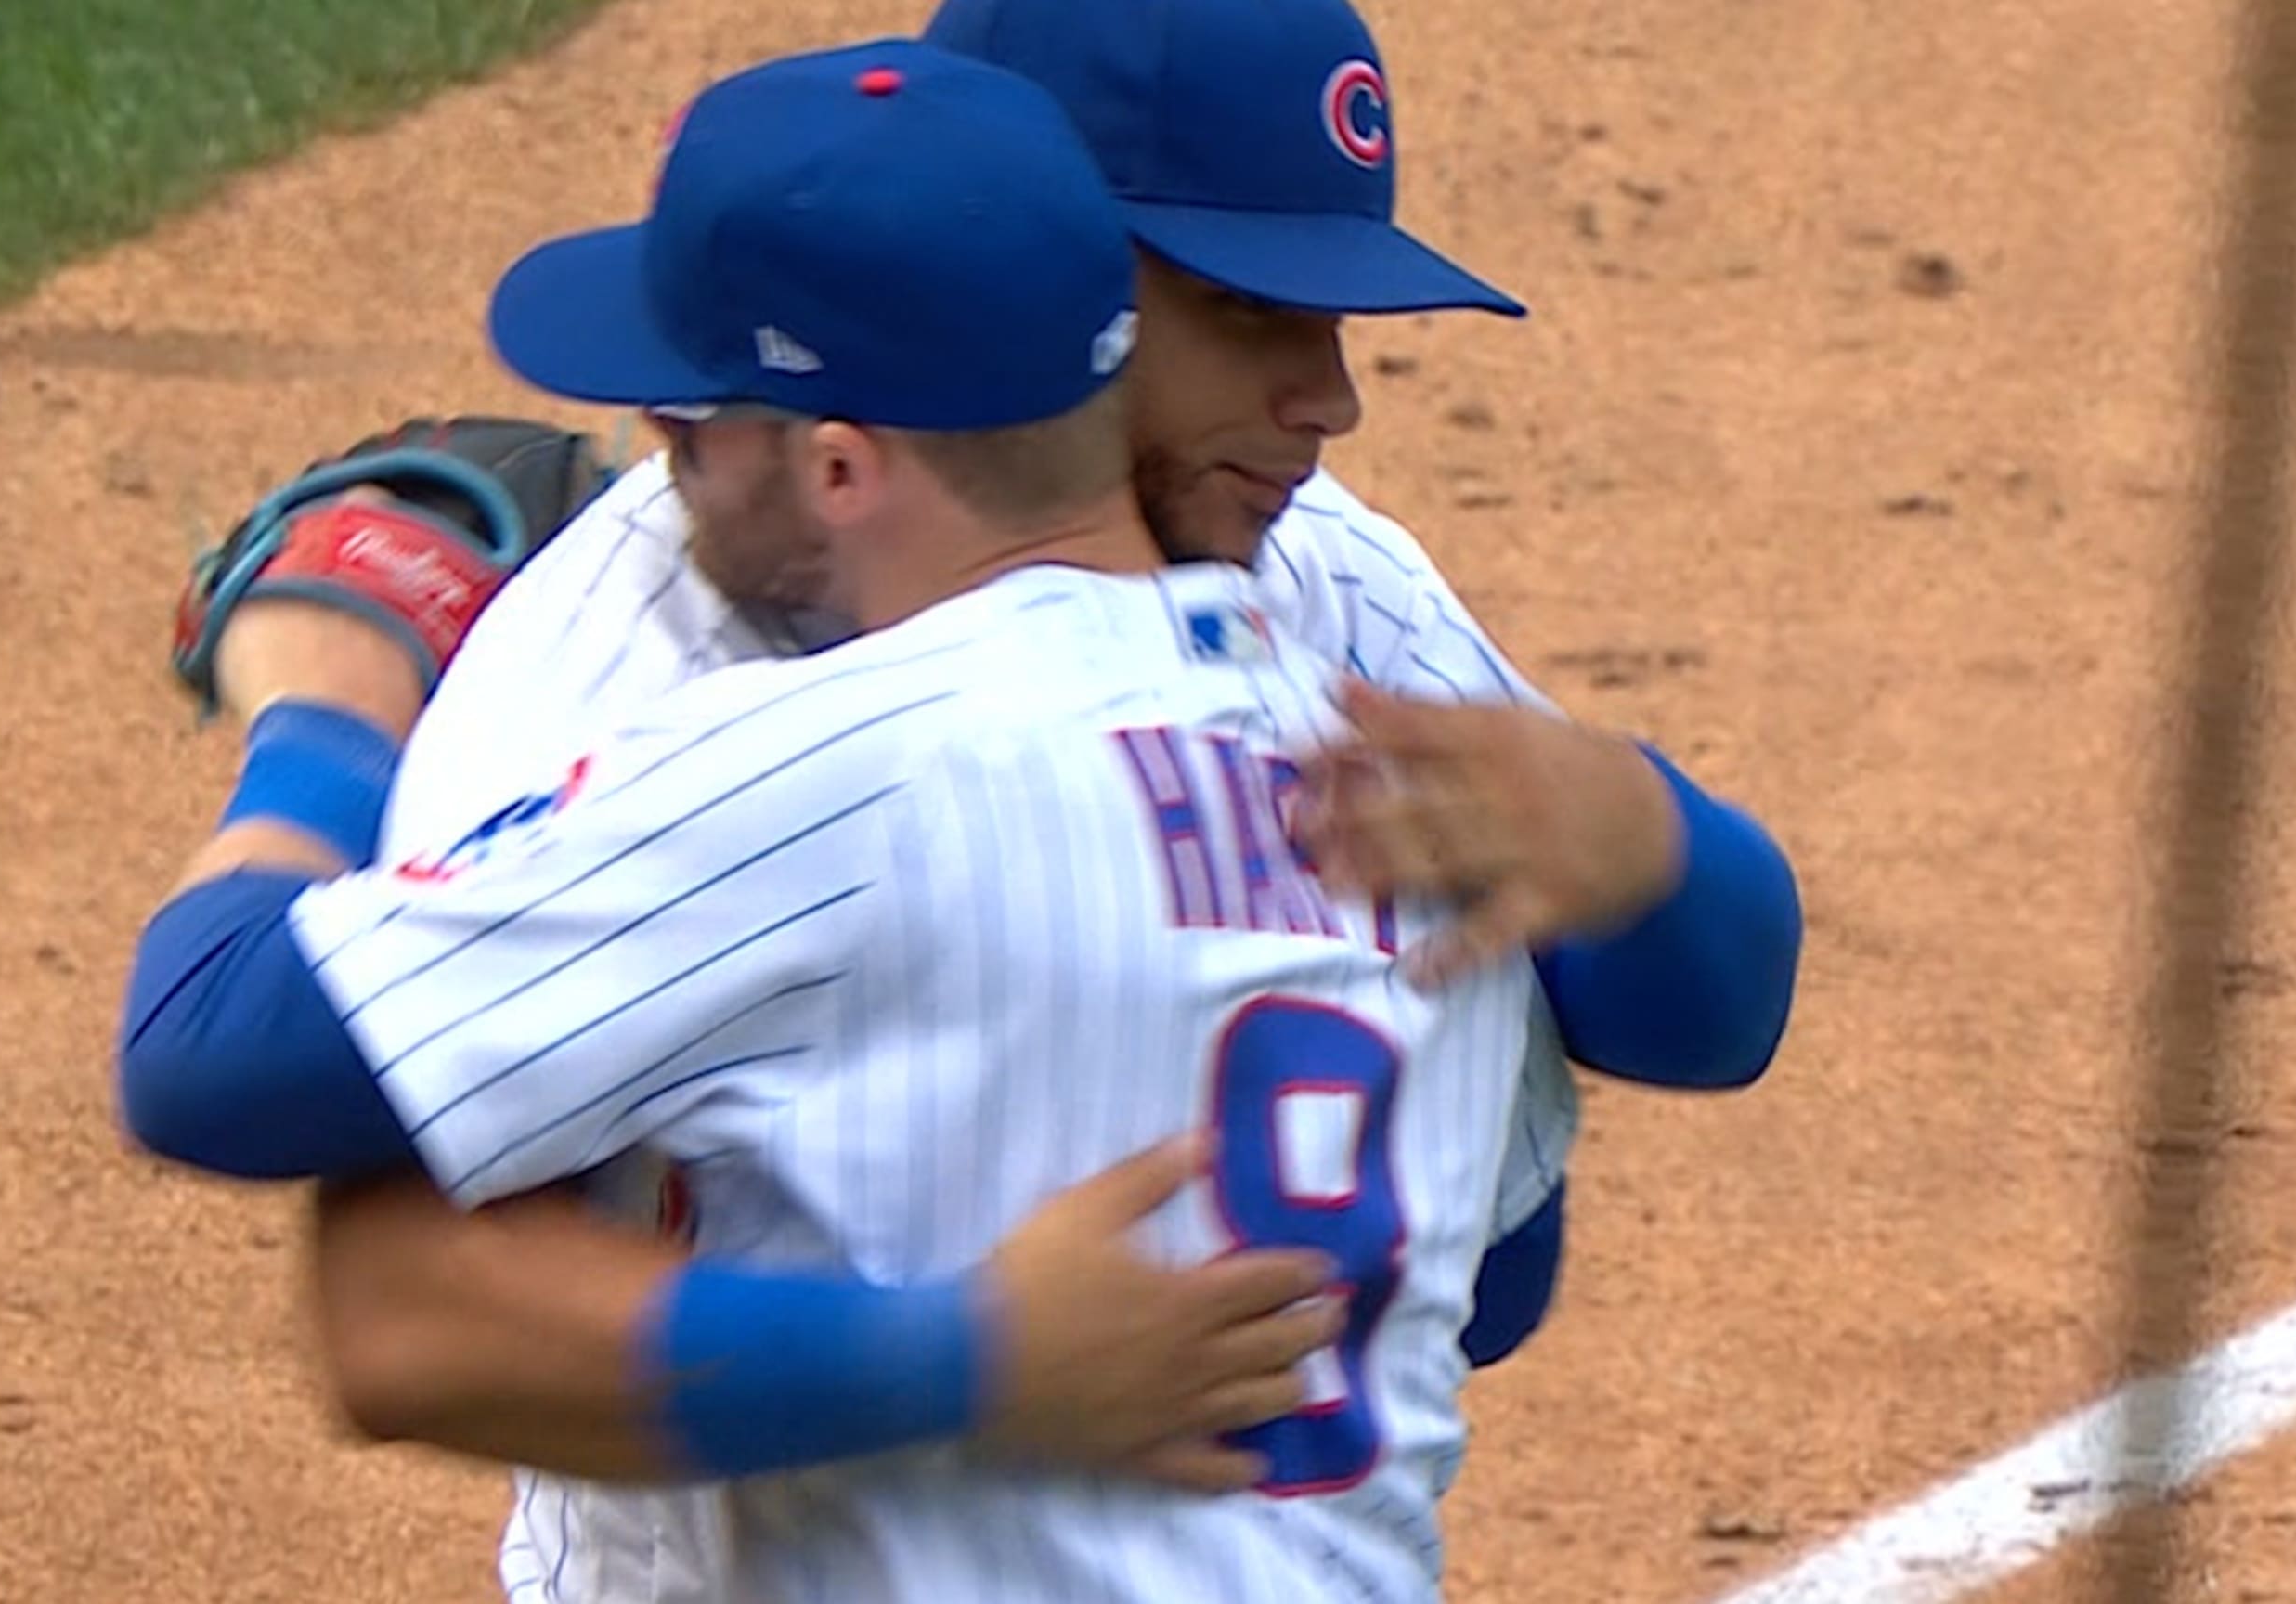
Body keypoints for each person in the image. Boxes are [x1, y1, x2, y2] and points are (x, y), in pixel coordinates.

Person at [151, 0, 1802, 1597]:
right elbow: (393, 1282)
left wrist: (1641, 836)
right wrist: (978, 1346)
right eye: (1246, 303)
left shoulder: (1319, 576)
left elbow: (1577, 1162)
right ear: (1039, 245)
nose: (1331, 396)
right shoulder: (607, 676)